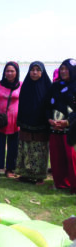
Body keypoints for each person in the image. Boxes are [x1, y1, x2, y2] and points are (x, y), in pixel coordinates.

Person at [16, 61, 52, 185]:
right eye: (32, 69)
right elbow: (21, 105)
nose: (35, 72)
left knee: (39, 151)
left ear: (42, 72)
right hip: (26, 123)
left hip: (41, 124)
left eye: (37, 70)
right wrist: (20, 121)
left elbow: (50, 106)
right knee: (26, 149)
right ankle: (25, 174)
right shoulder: (26, 85)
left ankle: (39, 176)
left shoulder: (48, 86)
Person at [46, 59, 76, 194]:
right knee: (57, 158)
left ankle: (74, 186)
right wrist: (50, 119)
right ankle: (60, 183)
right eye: (61, 68)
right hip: (55, 128)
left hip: (71, 129)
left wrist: (68, 122)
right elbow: (47, 105)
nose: (63, 71)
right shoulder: (55, 86)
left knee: (72, 158)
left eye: (66, 69)